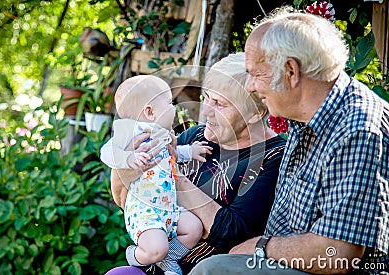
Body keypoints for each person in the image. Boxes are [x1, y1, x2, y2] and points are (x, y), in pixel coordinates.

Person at [189, 6, 389, 275]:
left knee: (212, 270)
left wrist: (261, 247)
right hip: (289, 261)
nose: (249, 86)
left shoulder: (358, 130)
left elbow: (338, 254)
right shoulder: (305, 118)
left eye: (256, 74)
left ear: (291, 71)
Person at [105, 53, 286, 275]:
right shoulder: (195, 136)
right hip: (157, 261)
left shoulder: (273, 158)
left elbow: (231, 233)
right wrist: (124, 167)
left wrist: (174, 173)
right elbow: (130, 201)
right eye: (206, 98)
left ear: (255, 113)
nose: (206, 110)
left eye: (219, 104)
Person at [100, 75, 210, 275]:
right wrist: (128, 158)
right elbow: (106, 152)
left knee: (194, 229)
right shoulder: (130, 130)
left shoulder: (162, 132)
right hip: (145, 210)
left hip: (168, 207)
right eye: (169, 103)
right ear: (150, 112)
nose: (174, 107)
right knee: (156, 249)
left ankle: (167, 260)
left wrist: (190, 152)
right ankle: (136, 255)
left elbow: (173, 154)